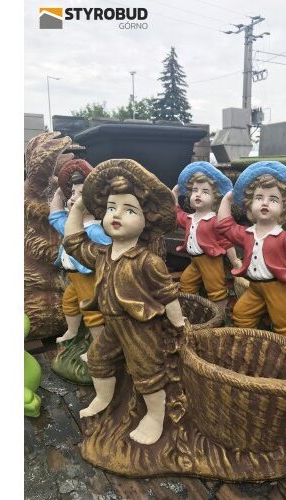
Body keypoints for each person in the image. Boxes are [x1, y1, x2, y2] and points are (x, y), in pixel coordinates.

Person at [63, 159, 185, 446]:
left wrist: (179, 323)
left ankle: (154, 416)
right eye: (111, 208)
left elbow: (168, 294)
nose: (116, 215)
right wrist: (78, 208)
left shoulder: (147, 261)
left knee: (147, 371)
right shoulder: (102, 254)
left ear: (146, 220)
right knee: (98, 359)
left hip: (140, 327)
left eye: (129, 210)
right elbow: (73, 242)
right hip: (113, 325)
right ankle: (103, 398)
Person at [216, 160, 286, 339]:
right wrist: (228, 199)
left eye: (273, 199)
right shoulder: (247, 234)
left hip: (279, 287)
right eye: (259, 198)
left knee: (285, 323)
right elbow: (225, 226)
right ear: (250, 203)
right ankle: (251, 343)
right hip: (255, 287)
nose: (265, 203)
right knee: (241, 314)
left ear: (284, 207)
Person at [49, 159, 111, 349]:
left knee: (90, 310)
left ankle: (98, 347)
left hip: (88, 278)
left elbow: (111, 250)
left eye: (81, 194)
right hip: (73, 277)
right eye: (72, 193)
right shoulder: (71, 225)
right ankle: (72, 331)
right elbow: (56, 217)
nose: (73, 198)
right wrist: (59, 194)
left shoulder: (94, 231)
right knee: (69, 302)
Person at [171, 162, 241, 315]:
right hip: (194, 260)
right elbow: (176, 212)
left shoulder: (214, 221)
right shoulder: (189, 218)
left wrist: (235, 260)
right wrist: (175, 193)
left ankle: (220, 315)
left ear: (215, 199)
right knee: (186, 283)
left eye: (205, 192)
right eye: (195, 190)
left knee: (215, 289)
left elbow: (226, 241)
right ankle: (192, 311)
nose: (198, 194)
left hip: (210, 260)